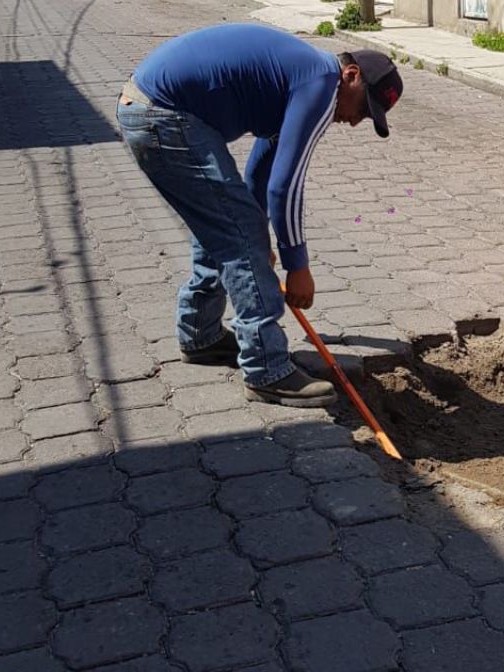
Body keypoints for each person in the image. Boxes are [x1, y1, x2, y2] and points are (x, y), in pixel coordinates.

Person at [116, 24, 403, 407]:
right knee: (239, 231)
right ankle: (267, 369)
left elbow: (264, 170)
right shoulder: (321, 84)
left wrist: (255, 237)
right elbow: (285, 186)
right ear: (350, 76)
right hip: (165, 114)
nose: (356, 120)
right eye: (363, 108)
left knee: (225, 224)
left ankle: (200, 334)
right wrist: (295, 264)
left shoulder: (300, 77)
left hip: (148, 108)